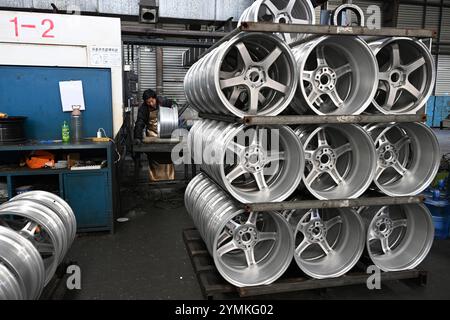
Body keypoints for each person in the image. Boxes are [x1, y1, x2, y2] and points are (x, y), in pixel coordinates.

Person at [134, 89, 175, 182]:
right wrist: (137, 137)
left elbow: (173, 106)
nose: (151, 104)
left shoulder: (163, 102)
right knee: (154, 156)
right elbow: (140, 122)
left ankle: (169, 178)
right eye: (148, 102)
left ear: (155, 98)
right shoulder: (143, 108)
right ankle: (155, 179)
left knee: (168, 155)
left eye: (152, 101)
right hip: (152, 135)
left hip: (166, 133)